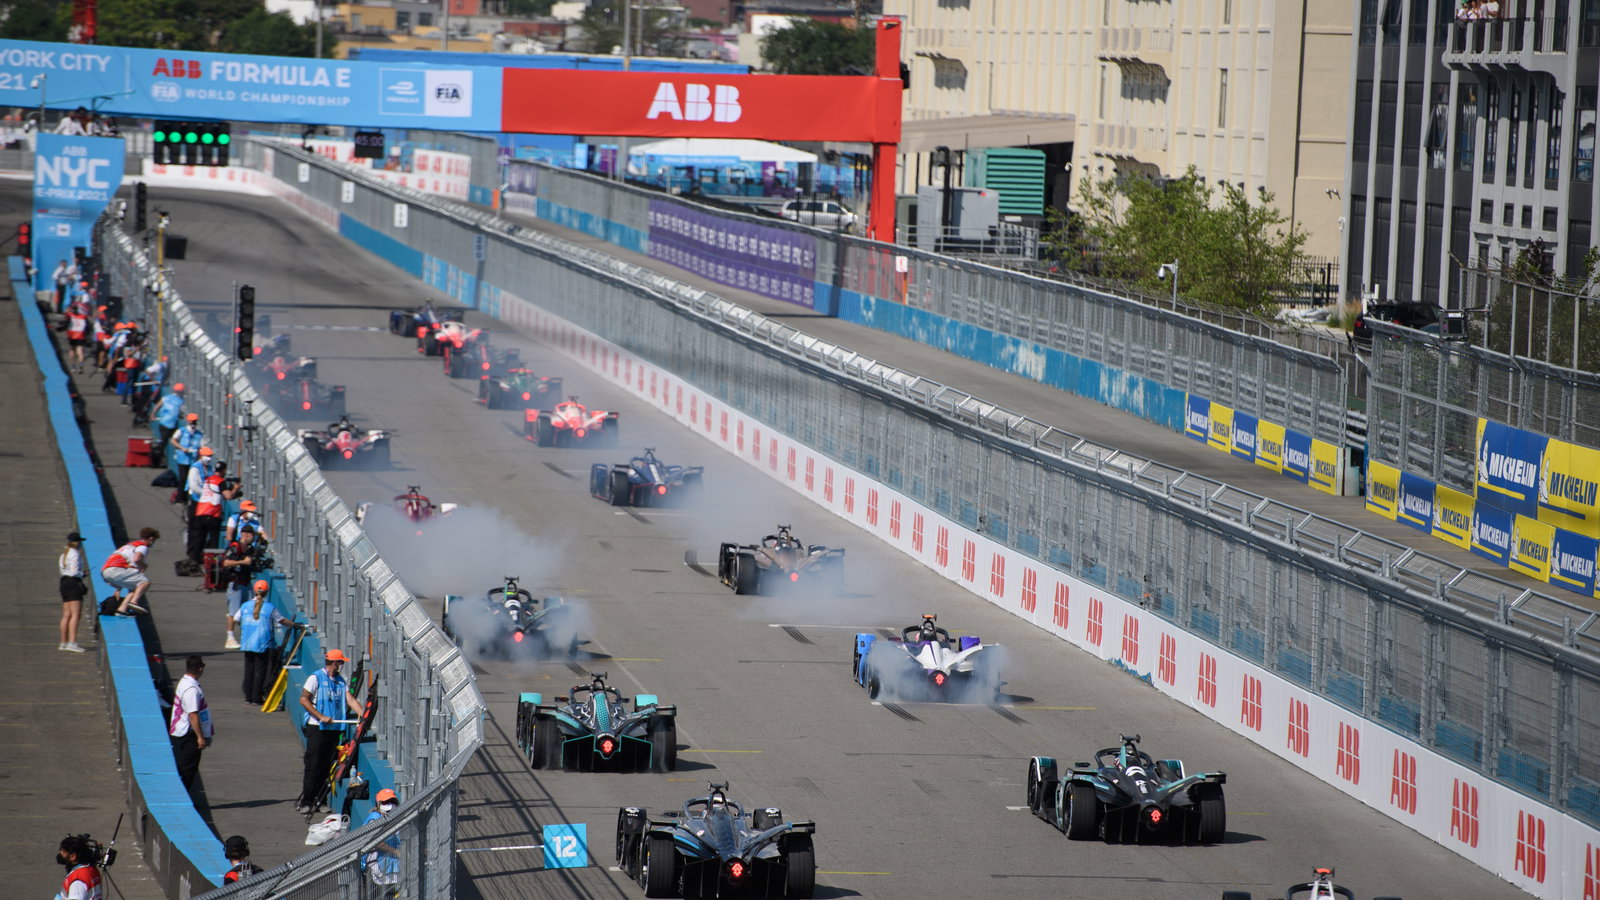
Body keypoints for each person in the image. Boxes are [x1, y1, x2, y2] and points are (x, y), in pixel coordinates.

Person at [297, 650, 365, 813]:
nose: (342, 665)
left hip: (333, 729)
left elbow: (350, 700)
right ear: (335, 663)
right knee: (314, 764)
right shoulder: (316, 678)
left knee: (327, 765)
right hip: (317, 728)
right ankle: (307, 801)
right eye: (341, 662)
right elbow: (304, 699)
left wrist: (364, 716)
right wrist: (320, 716)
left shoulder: (340, 681)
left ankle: (321, 800)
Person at [235, 581, 293, 704]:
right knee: (260, 671)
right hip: (263, 643)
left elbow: (236, 619)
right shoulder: (269, 607)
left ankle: (248, 697)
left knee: (249, 670)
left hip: (247, 643)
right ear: (267, 592)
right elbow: (282, 620)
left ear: (254, 590)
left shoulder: (245, 606)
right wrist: (294, 625)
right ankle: (256, 698)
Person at [168, 655, 212, 793]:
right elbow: (193, 715)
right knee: (187, 769)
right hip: (189, 734)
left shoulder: (184, 682)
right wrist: (200, 737)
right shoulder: (191, 689)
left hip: (183, 731)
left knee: (185, 767)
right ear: (200, 669)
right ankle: (181, 797)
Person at [101, 527, 159, 615]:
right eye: (154, 541)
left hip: (106, 571)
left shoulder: (131, 545)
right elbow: (137, 559)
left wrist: (118, 588)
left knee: (135, 587)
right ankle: (133, 602)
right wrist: (144, 566)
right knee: (145, 582)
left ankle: (122, 609)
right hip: (116, 569)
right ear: (151, 539)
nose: (153, 543)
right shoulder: (142, 546)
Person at [220, 526, 261, 646]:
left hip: (246, 582)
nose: (253, 538)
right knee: (233, 612)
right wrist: (243, 562)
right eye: (252, 535)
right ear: (246, 535)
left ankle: (247, 636)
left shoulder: (250, 549)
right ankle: (230, 638)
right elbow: (225, 562)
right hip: (235, 584)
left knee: (250, 609)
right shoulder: (235, 546)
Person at [188, 455, 224, 567]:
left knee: (199, 538)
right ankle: (211, 565)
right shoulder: (220, 481)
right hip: (212, 514)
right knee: (213, 541)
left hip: (201, 511)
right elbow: (228, 495)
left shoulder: (208, 480)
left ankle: (194, 561)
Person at [362, 788, 402, 888]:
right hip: (375, 867)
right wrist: (395, 851)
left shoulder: (394, 817)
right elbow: (375, 842)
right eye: (386, 802)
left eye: (392, 801)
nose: (390, 804)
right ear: (379, 804)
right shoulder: (374, 818)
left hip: (391, 867)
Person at [58, 532, 89, 652]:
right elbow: (75, 572)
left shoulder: (63, 554)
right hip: (73, 583)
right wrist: (83, 574)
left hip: (64, 583)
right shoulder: (75, 554)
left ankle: (63, 642)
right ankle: (72, 642)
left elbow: (65, 571)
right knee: (76, 614)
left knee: (66, 614)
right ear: (77, 542)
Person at [54, 833, 103, 900]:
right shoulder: (91, 869)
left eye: (63, 852)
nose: (60, 854)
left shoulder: (77, 881)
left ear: (72, 856)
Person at [153, 383, 185, 462]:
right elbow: (180, 413)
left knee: (163, 442)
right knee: (174, 440)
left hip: (163, 422)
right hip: (172, 424)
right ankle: (157, 458)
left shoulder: (166, 397)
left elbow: (158, 405)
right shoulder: (181, 401)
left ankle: (158, 458)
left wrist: (153, 414)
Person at [169, 413, 203, 483]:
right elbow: (173, 440)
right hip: (182, 458)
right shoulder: (182, 431)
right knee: (183, 478)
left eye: (195, 421)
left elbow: (201, 448)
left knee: (191, 478)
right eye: (192, 421)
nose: (193, 423)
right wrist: (182, 448)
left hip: (193, 459)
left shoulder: (199, 434)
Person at [64, 299, 90, 373]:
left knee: (72, 349)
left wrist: (69, 309)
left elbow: (66, 313)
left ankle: (73, 366)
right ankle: (81, 365)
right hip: (80, 335)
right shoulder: (83, 317)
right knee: (80, 350)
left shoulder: (70, 315)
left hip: (72, 335)